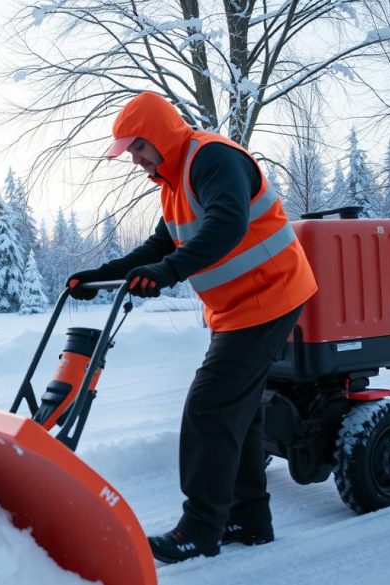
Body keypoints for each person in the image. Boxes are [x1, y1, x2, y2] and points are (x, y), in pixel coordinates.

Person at [66, 92, 318, 563]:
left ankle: (200, 530)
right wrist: (99, 277)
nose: (134, 160)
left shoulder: (213, 158)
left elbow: (225, 225)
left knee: (208, 408)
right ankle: (250, 518)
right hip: (238, 309)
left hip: (271, 294)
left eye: (137, 148)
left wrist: (169, 272)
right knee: (237, 413)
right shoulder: (173, 182)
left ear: (157, 135)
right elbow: (160, 247)